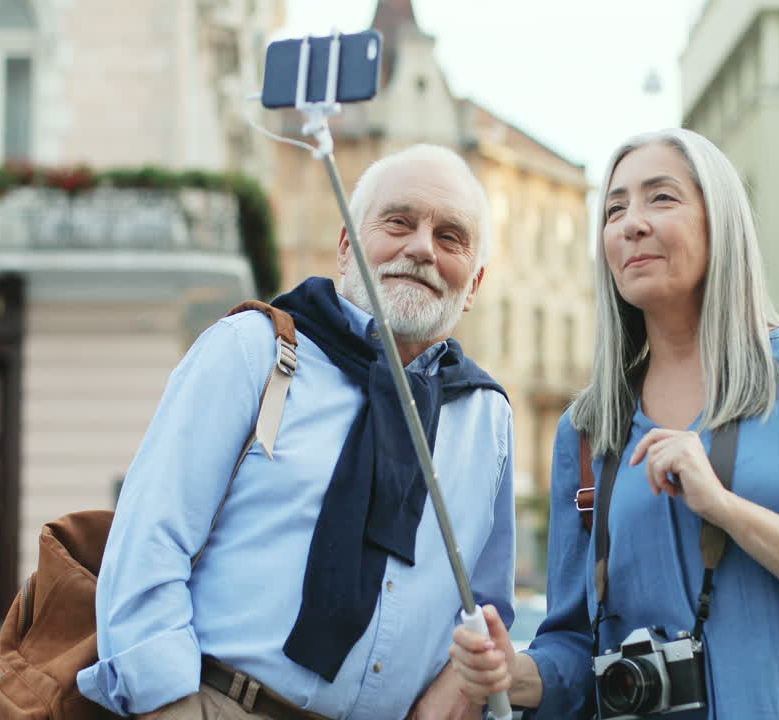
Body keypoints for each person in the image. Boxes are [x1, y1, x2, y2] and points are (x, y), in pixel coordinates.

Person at [449, 128, 779, 719]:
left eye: (661, 198)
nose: (631, 224)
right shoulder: (587, 430)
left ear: (720, 222)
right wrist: (516, 674)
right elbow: (576, 644)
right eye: (614, 209)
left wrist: (724, 507)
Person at [77, 143, 516, 720]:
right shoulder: (251, 351)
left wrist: (455, 691)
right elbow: (148, 543)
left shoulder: (487, 416)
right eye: (398, 222)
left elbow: (485, 606)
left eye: (450, 237)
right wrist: (169, 706)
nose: (421, 248)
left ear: (474, 284)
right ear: (346, 247)